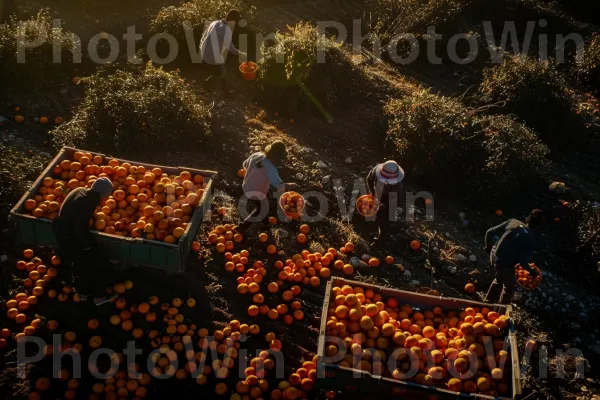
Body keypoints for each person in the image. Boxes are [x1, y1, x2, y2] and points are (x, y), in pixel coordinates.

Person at [54, 177, 116, 306]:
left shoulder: (81, 190)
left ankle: (84, 293)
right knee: (93, 262)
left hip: (64, 231)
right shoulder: (87, 203)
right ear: (103, 195)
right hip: (69, 236)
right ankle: (99, 296)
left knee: (80, 264)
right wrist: (87, 246)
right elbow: (79, 228)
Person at [484, 209, 544, 304]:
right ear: (538, 226)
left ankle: (487, 302)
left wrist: (488, 247)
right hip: (504, 264)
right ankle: (501, 310)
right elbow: (523, 261)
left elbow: (489, 232)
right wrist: (531, 271)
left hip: (494, 255)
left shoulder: (513, 221)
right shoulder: (531, 239)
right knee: (509, 286)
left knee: (500, 276)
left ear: (527, 218)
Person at [240, 140, 296, 223]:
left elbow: (245, 165)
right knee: (262, 208)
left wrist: (255, 175)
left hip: (246, 185)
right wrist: (291, 185)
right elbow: (279, 185)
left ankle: (265, 221)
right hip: (256, 193)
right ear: (278, 157)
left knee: (266, 195)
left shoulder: (257, 155)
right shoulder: (271, 169)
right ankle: (243, 226)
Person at [199, 9, 243, 94]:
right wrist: (241, 54)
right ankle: (225, 92)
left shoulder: (215, 23)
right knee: (222, 73)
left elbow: (203, 36)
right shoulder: (226, 30)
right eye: (235, 20)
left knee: (219, 70)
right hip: (211, 56)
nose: (236, 23)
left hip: (204, 52)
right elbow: (230, 48)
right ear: (231, 19)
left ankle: (208, 85)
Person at [365, 160, 405, 242]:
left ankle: (382, 236)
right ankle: (376, 228)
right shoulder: (375, 171)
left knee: (384, 217)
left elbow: (396, 200)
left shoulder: (397, 185)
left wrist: (385, 205)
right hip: (378, 192)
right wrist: (372, 192)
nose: (385, 182)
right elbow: (369, 179)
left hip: (390, 197)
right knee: (373, 211)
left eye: (388, 180)